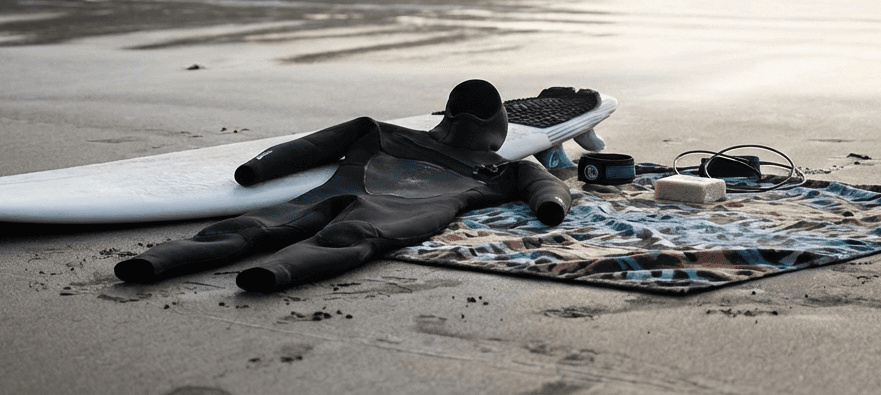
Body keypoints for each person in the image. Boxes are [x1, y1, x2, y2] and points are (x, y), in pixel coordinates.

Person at [115, 79, 572, 292]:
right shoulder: (497, 168)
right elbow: (546, 187)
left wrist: (257, 169)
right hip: (400, 212)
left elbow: (312, 145)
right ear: (497, 126)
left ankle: (155, 260)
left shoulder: (381, 130)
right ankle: (275, 274)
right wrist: (551, 205)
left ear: (447, 112)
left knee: (251, 226)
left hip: (334, 189)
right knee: (348, 241)